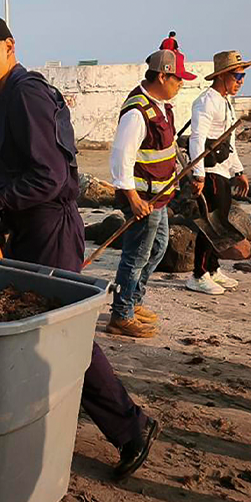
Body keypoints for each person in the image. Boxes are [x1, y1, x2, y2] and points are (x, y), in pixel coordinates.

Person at [0, 14, 159, 480]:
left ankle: (132, 428)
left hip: (49, 230)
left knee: (63, 336)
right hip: (27, 229)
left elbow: (49, 177)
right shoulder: (8, 98)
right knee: (33, 331)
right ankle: (37, 419)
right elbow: (24, 170)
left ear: (10, 46)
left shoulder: (25, 95)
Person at [106, 49, 196, 337]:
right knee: (135, 257)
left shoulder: (162, 107)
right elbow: (121, 157)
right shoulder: (137, 112)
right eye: (178, 79)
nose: (181, 84)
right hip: (143, 200)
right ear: (162, 76)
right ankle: (121, 315)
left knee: (157, 248)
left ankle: (133, 300)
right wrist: (133, 199)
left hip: (159, 197)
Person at [185, 50, 251, 295]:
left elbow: (229, 142)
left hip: (223, 170)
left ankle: (213, 269)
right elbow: (197, 139)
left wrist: (238, 171)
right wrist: (198, 175)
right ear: (223, 76)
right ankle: (199, 274)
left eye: (243, 77)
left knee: (221, 221)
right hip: (210, 171)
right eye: (237, 76)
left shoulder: (225, 102)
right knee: (211, 224)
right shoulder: (206, 101)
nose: (241, 82)